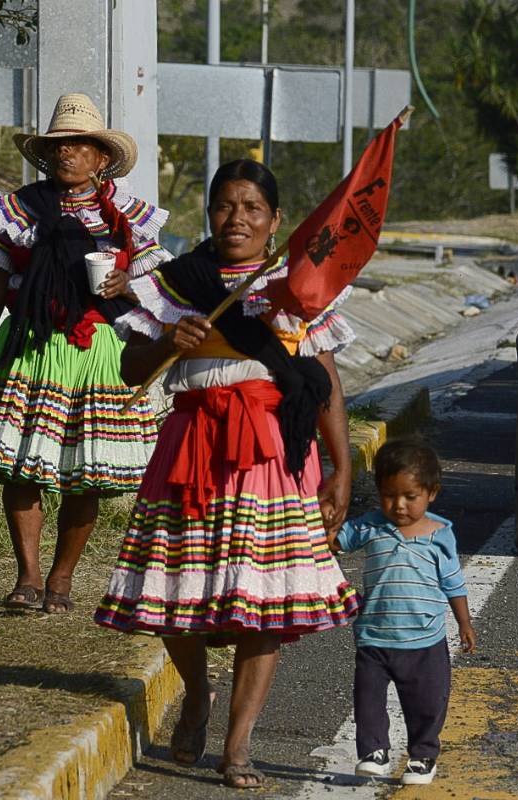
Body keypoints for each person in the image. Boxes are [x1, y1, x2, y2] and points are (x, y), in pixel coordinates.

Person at [95, 159, 360, 789]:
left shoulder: (297, 286)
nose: (236, 218)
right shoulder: (178, 284)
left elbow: (326, 386)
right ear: (208, 214)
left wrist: (342, 468)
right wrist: (169, 343)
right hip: (189, 449)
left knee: (263, 602)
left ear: (274, 221)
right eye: (223, 206)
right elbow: (134, 370)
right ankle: (195, 693)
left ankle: (238, 746)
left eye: (251, 208)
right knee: (169, 593)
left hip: (270, 456)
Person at [0, 92, 167, 614]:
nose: (67, 154)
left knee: (88, 471)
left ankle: (62, 580)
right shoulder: (21, 210)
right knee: (22, 466)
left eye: (79, 145)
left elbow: (158, 295)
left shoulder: (129, 218)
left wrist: (125, 285)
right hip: (28, 346)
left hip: (98, 351)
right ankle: (29, 577)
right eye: (58, 145)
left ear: (101, 158)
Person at [327, 438, 476, 787]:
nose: (399, 505)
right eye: (389, 495)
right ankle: (373, 751)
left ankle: (423, 756)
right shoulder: (371, 526)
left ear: (432, 493)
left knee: (426, 703)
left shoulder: (440, 535)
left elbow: (454, 584)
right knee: (368, 700)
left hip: (425, 641)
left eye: (411, 497)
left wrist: (464, 624)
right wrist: (327, 520)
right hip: (374, 636)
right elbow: (335, 541)